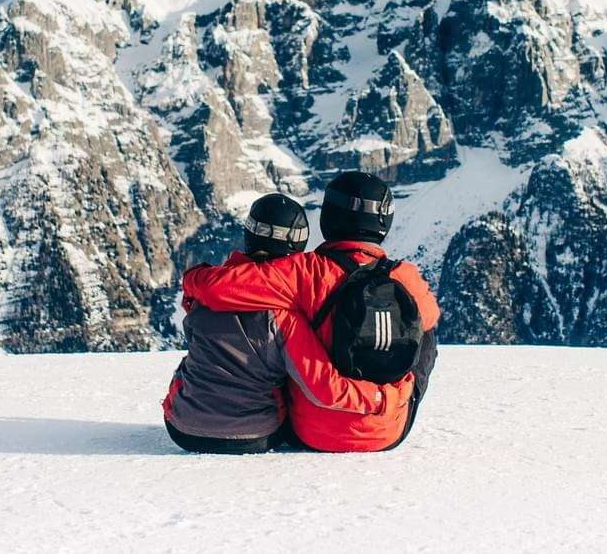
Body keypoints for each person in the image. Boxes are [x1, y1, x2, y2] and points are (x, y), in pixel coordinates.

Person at [182, 172, 440, 452]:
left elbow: (217, 288)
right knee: (426, 331)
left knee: (281, 326)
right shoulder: (405, 276)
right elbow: (430, 318)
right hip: (389, 429)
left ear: (328, 216)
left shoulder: (303, 271)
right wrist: (388, 396)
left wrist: (196, 275)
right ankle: (391, 408)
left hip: (312, 433)